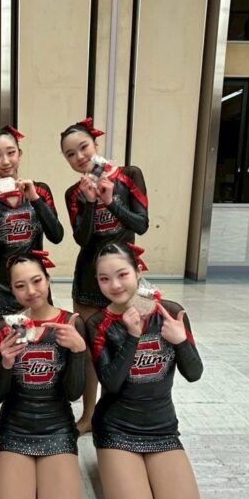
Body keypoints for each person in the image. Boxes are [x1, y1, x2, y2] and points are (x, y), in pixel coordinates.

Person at [85, 242, 202, 499]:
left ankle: (143, 472)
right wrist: (132, 336)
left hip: (161, 429)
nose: (115, 285)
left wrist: (181, 341)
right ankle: (114, 464)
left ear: (138, 271)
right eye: (104, 279)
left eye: (122, 274)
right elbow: (111, 384)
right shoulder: (98, 323)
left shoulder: (171, 312)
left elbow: (194, 373)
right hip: (116, 429)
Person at [60, 117, 149, 434]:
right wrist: (89, 203)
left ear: (96, 144)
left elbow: (140, 224)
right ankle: (88, 415)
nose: (79, 157)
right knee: (89, 351)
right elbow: (82, 239)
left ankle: (123, 412)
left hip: (124, 277)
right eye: (70, 154)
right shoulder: (73, 193)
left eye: (83, 147)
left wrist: (111, 201)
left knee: (129, 344)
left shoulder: (129, 175)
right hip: (88, 279)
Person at [0, 251, 86, 499]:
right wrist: (6, 363)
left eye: (36, 281)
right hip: (15, 426)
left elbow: (73, 393)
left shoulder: (71, 323)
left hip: (58, 426)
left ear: (48, 280)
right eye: (20, 286)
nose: (30, 291)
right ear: (12, 289)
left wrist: (78, 352)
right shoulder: (4, 328)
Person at [0, 125, 64, 316]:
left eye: (11, 153)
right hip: (0, 287)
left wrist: (35, 199)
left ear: (20, 154)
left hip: (34, 284)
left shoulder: (39, 191)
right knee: (3, 337)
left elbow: (57, 236)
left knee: (39, 335)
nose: (6, 161)